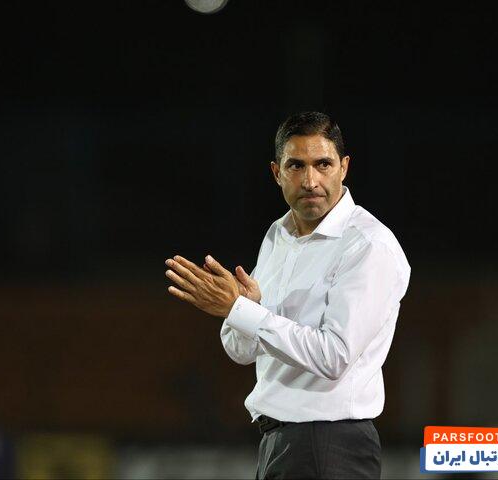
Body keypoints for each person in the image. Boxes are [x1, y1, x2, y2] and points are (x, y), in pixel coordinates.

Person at [165, 112, 410, 479]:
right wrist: (241, 310)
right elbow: (243, 352)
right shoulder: (279, 234)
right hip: (279, 442)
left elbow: (334, 356)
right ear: (276, 173)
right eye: (296, 165)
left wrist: (241, 310)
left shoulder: (367, 245)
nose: (310, 180)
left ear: (344, 167)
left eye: (323, 164)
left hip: (330, 446)